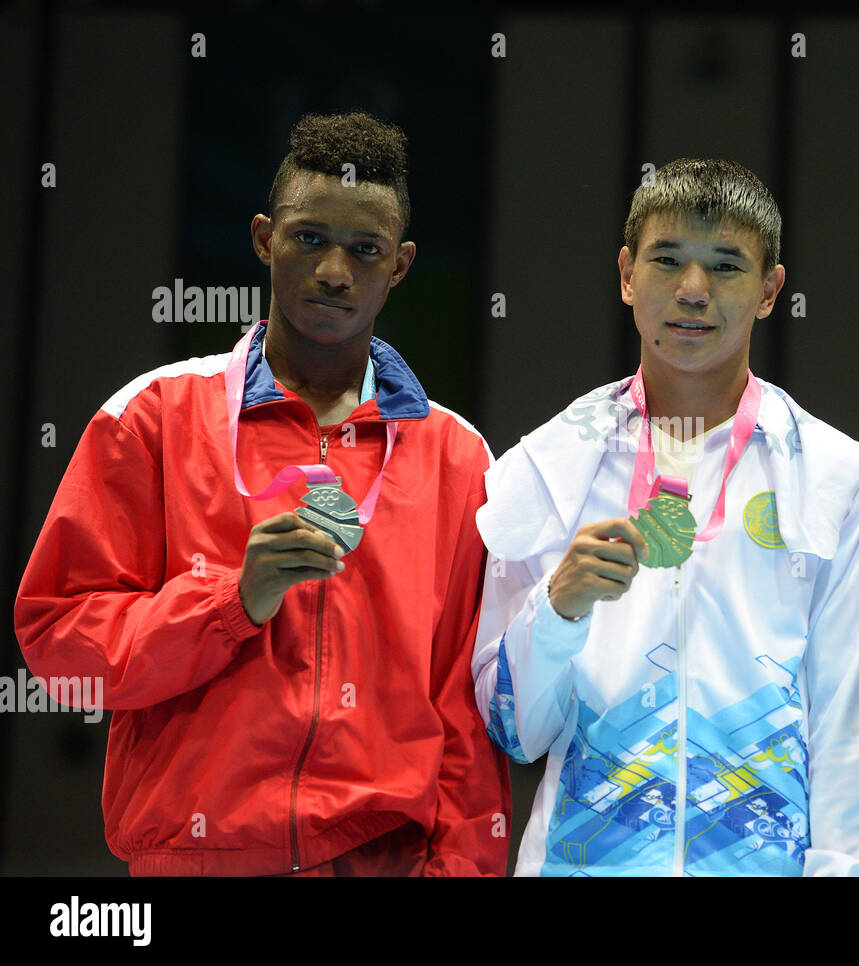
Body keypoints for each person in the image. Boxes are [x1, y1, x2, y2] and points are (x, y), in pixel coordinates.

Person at [14, 112, 510, 876]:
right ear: (262, 238)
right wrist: (227, 603)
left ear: (401, 264)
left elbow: (465, 713)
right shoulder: (151, 418)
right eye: (309, 238)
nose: (335, 271)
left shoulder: (459, 458)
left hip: (386, 861)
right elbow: (60, 642)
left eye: (365, 249)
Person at [472, 158, 859, 876]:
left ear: (769, 290)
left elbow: (850, 718)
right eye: (668, 260)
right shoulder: (549, 463)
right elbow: (515, 732)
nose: (693, 291)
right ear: (628, 275)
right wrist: (559, 608)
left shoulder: (834, 473)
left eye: (726, 265)